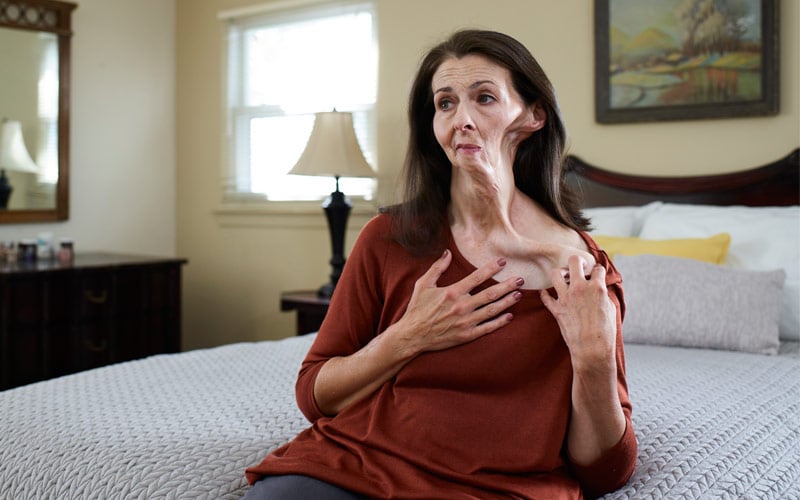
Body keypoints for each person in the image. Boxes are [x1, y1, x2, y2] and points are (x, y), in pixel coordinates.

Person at [244, 29, 637, 499]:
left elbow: (604, 473)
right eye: (445, 103)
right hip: (355, 465)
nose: (461, 119)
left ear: (534, 116)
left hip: (500, 488)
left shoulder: (583, 272)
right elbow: (314, 394)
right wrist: (409, 337)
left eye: (485, 98)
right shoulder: (387, 240)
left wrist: (593, 362)